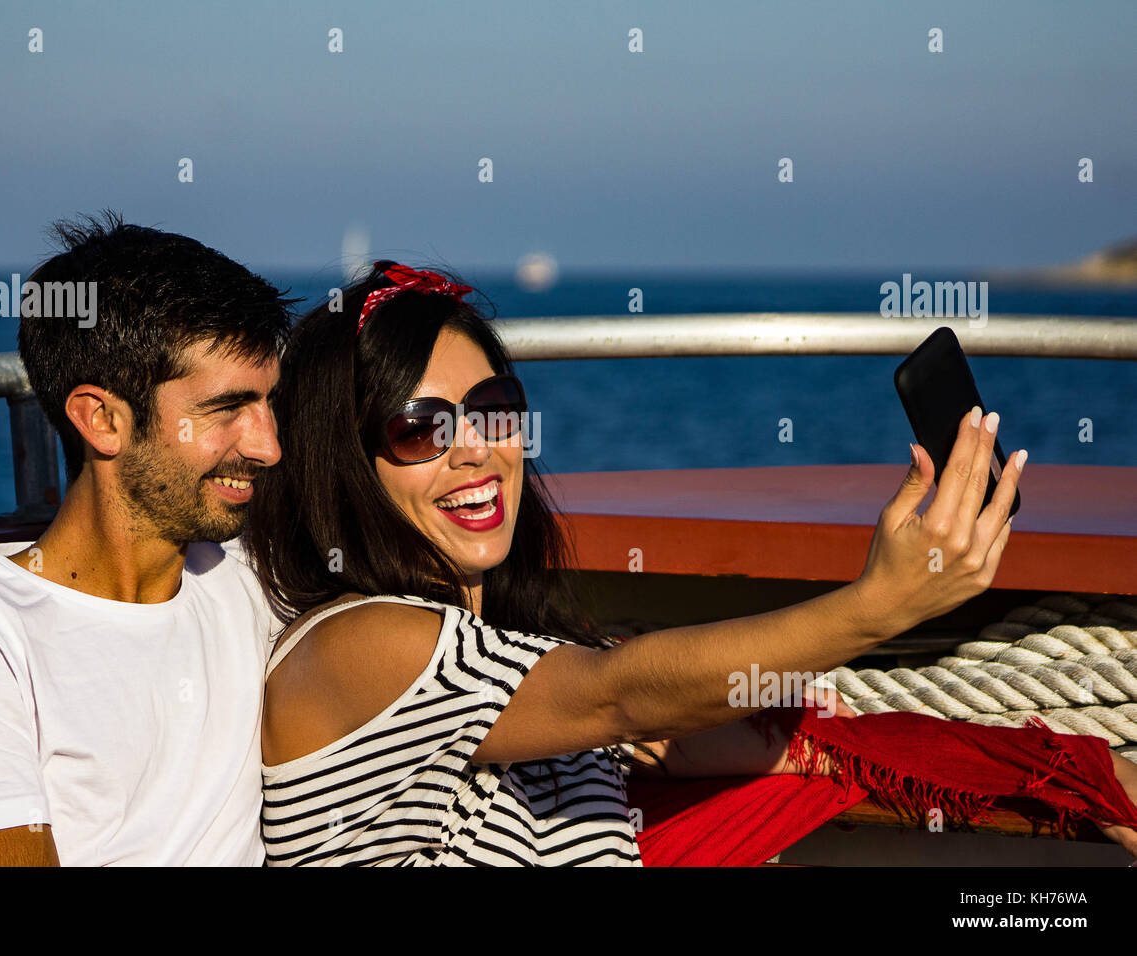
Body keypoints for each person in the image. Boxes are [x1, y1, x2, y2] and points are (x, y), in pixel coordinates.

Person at [248, 261, 1137, 866]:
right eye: (419, 429)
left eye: (495, 409)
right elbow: (617, 692)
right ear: (346, 464)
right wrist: (881, 604)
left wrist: (1080, 772)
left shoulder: (506, 657)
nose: (476, 451)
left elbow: (717, 732)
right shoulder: (358, 644)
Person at [0, 213, 295, 865]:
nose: (269, 446)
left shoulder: (248, 575)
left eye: (269, 404)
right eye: (227, 409)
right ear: (101, 420)